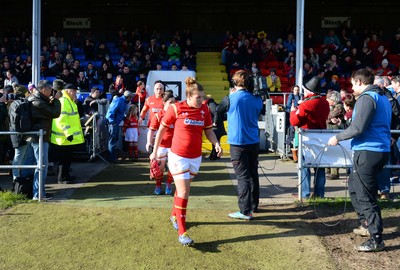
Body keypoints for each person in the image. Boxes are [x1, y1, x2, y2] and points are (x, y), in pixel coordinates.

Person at [150, 77, 222, 246]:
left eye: (203, 97)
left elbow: (209, 131)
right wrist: (154, 151)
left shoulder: (204, 109)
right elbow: (161, 129)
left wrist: (216, 143)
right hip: (178, 156)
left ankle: (174, 215)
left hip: (195, 157)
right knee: (184, 192)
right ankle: (182, 233)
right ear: (188, 96)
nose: (202, 100)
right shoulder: (176, 108)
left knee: (182, 190)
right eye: (198, 97)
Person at [327, 68, 391, 252]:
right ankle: (366, 224)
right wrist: (345, 125)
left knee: (364, 195)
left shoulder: (366, 97)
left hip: (368, 151)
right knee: (355, 189)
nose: (352, 87)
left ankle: (376, 238)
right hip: (377, 150)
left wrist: (338, 137)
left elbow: (360, 128)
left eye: (353, 84)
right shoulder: (382, 97)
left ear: (360, 82)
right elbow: (363, 125)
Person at [219, 70, 263, 220]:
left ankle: (245, 211)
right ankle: (253, 205)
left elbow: (219, 111)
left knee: (242, 177)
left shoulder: (230, 98)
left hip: (238, 142)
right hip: (253, 141)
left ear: (234, 82)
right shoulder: (257, 99)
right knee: (253, 174)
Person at [290, 76, 330, 199]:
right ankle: (319, 194)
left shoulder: (306, 104)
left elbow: (294, 121)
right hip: (321, 137)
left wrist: (293, 110)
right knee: (320, 167)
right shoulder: (325, 102)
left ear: (309, 91)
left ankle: (305, 193)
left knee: (304, 167)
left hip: (307, 138)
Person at [25, 80, 61, 200]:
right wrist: (55, 100)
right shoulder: (37, 102)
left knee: (33, 165)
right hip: (38, 138)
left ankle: (30, 192)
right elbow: (55, 113)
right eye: (50, 89)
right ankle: (38, 194)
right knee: (42, 166)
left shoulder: (36, 99)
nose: (52, 91)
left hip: (34, 137)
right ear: (43, 90)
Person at [51, 84, 85, 184]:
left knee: (67, 158)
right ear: (68, 91)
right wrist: (68, 133)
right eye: (74, 91)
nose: (75, 93)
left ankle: (65, 176)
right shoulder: (64, 101)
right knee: (64, 158)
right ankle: (61, 178)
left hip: (66, 136)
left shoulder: (68, 101)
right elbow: (62, 120)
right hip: (64, 136)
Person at [146, 90, 175, 195]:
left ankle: (168, 183)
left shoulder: (176, 115)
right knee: (159, 168)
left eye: (173, 102)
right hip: (161, 145)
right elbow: (151, 130)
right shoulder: (158, 116)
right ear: (164, 103)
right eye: (170, 102)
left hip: (174, 146)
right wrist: (149, 142)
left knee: (173, 167)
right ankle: (158, 184)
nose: (172, 104)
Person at [105, 90, 134, 162]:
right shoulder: (119, 101)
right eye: (131, 98)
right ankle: (111, 159)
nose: (131, 100)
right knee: (112, 140)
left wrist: (124, 118)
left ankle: (112, 157)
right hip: (113, 124)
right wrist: (113, 122)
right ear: (128, 97)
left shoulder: (121, 101)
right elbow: (111, 111)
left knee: (114, 140)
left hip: (114, 123)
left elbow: (118, 112)